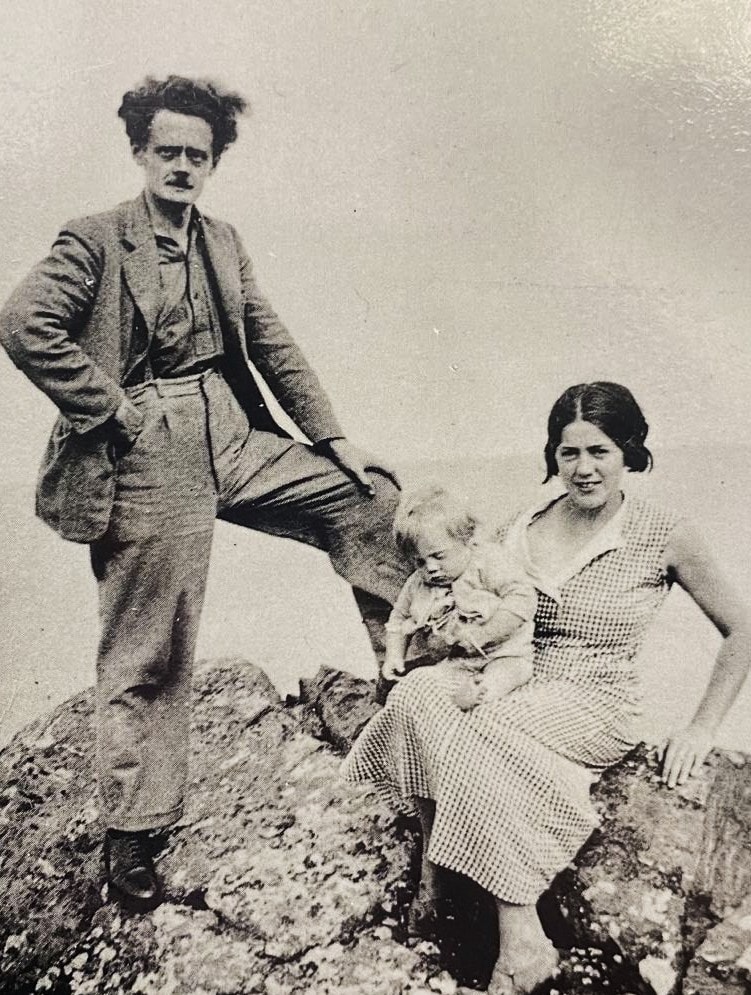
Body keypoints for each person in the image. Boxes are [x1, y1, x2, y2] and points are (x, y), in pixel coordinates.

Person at [0, 75, 409, 911]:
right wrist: (113, 408)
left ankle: (410, 690)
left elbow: (270, 340)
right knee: (152, 638)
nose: (182, 165)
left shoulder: (222, 240)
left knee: (369, 501)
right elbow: (22, 322)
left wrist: (334, 440)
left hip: (228, 426)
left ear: (214, 160)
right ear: (140, 152)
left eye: (198, 153)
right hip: (146, 443)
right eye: (167, 151)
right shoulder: (95, 238)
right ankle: (135, 830)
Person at [343, 382, 751, 995]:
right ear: (553, 455)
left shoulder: (664, 531)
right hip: (516, 677)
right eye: (569, 453)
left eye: (601, 451)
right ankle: (441, 866)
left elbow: (741, 627)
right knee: (413, 697)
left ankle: (518, 936)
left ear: (630, 451)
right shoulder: (522, 523)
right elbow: (465, 594)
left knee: (476, 726)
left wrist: (701, 726)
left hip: (596, 698)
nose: (583, 469)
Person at [382, 485, 537, 716]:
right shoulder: (418, 583)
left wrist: (485, 633)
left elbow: (522, 598)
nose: (431, 568)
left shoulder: (487, 562)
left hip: (505, 652)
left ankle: (484, 690)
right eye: (419, 562)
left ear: (467, 540)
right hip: (457, 661)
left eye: (438, 556)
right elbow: (398, 618)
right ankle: (459, 697)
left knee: (508, 672)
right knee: (427, 681)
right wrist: (394, 655)